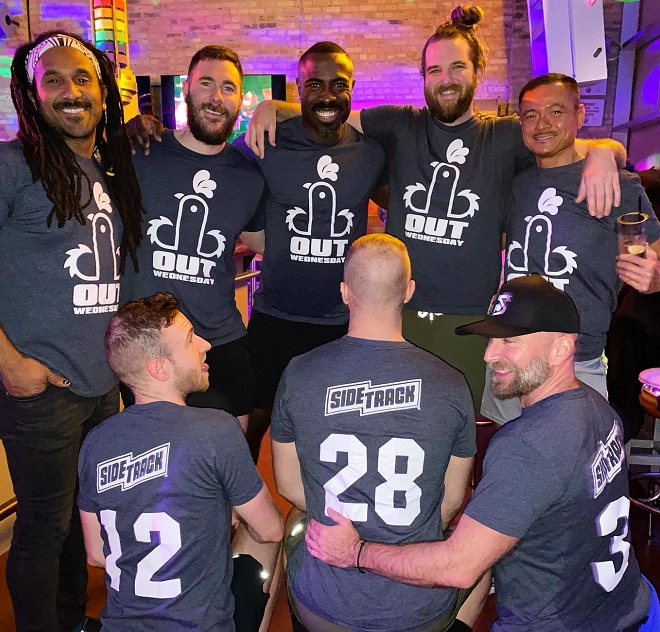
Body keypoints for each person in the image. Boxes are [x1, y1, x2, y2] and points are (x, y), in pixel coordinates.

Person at [246, 6, 625, 412]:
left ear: (477, 72)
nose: (445, 79)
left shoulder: (506, 135)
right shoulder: (398, 124)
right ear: (424, 77)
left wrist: (605, 151)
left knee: (459, 426)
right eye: (434, 70)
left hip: (469, 323)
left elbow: (562, 142)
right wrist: (271, 108)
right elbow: (330, 112)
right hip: (396, 314)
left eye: (457, 67)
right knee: (390, 422)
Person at [306, 274, 651, 632]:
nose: (489, 355)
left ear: (560, 349)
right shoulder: (597, 408)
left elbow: (458, 568)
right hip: (622, 605)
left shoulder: (527, 446)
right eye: (490, 339)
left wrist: (355, 552)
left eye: (509, 341)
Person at [0, 31, 144, 632]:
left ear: (104, 93)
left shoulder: (106, 169)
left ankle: (70, 620)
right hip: (39, 389)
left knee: (76, 519)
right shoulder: (3, 164)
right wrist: (9, 361)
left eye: (83, 78)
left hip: (100, 384)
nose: (71, 91)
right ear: (31, 93)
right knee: (44, 527)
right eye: (54, 80)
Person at [272, 234, 487, 632]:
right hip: (416, 611)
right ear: (408, 291)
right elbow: (450, 502)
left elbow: (287, 485)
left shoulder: (298, 373)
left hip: (324, 609)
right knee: (481, 568)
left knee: (296, 525)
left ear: (344, 292)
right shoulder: (452, 384)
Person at [78, 292, 283, 631]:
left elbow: (97, 555)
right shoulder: (217, 429)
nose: (205, 345)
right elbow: (270, 530)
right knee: (277, 533)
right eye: (190, 339)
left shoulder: (95, 442)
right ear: (159, 368)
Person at [479, 73, 660, 424]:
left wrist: (654, 278)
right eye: (531, 115)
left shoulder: (619, 186)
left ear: (579, 115)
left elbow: (653, 256)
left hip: (576, 361)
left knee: (576, 454)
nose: (542, 124)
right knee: (506, 450)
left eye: (556, 111)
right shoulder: (515, 185)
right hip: (509, 351)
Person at [234, 41, 385, 460]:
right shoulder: (266, 142)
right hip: (276, 315)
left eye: (339, 85)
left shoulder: (371, 153)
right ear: (298, 89)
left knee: (335, 429)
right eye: (314, 84)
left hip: (343, 320)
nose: (327, 95)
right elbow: (218, 169)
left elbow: (401, 202)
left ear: (352, 88)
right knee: (252, 423)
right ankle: (241, 500)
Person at [123, 45, 264, 432]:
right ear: (186, 88)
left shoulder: (248, 176)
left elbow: (263, 243)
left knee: (229, 456)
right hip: (149, 346)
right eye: (206, 83)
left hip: (220, 343)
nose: (216, 97)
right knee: (157, 459)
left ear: (240, 99)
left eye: (228, 88)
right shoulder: (141, 153)